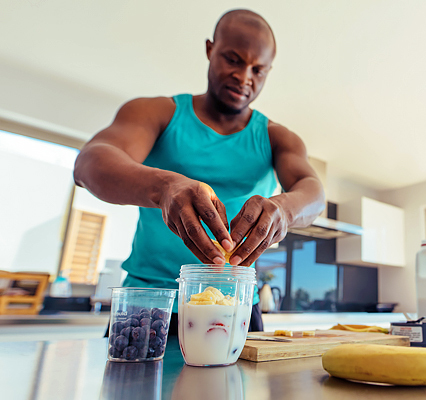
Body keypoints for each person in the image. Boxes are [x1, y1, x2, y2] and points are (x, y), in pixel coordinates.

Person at [74, 9, 325, 334]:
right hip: (150, 305)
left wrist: (284, 210)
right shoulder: (158, 112)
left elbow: (313, 192)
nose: (244, 76)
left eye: (258, 69)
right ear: (210, 49)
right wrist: (163, 186)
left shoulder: (276, 137)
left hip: (234, 306)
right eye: (233, 59)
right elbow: (89, 164)